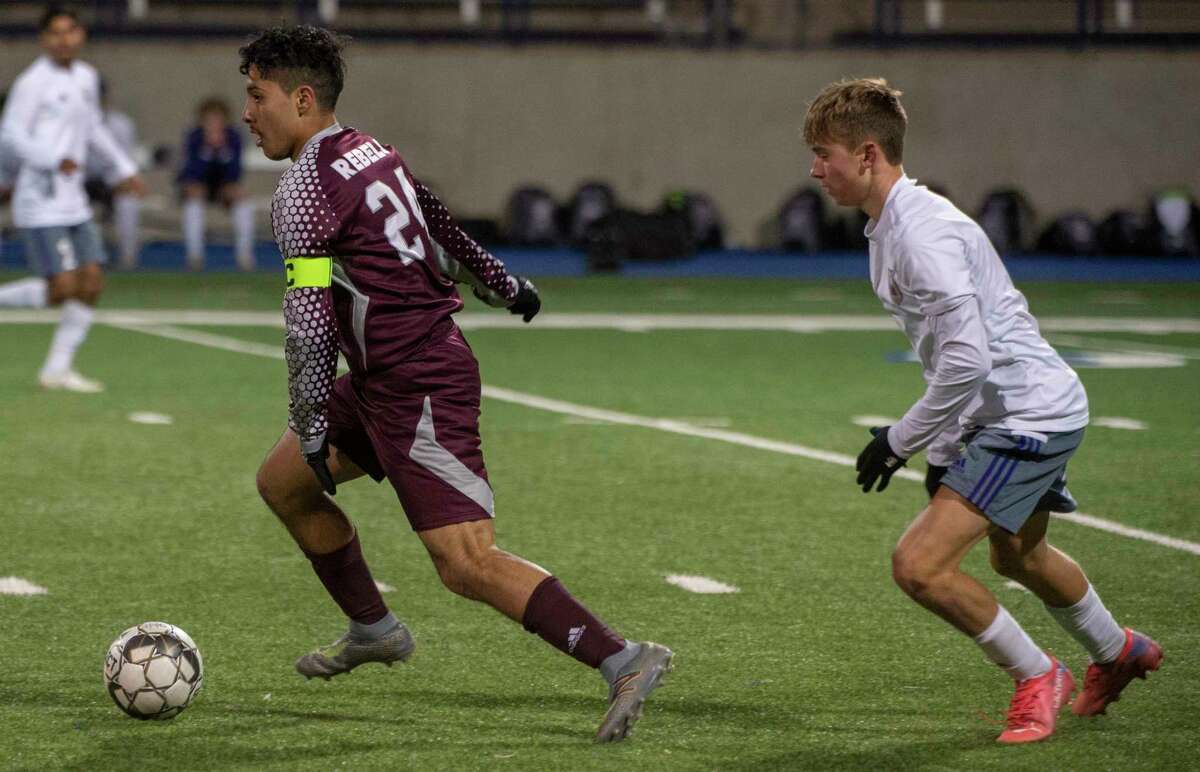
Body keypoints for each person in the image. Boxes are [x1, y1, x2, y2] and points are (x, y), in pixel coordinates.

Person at [242, 26, 672, 743]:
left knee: (465, 562)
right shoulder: (372, 152)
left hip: (418, 383)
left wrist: (313, 420)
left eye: (257, 97)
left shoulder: (302, 192)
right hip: (385, 377)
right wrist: (503, 283)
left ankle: (623, 657)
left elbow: (310, 327)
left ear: (302, 98)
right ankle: (373, 627)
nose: (249, 113)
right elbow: (440, 225)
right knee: (284, 482)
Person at [804, 78, 1162, 745]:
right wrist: (942, 451)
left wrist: (901, 440)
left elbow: (966, 361)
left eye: (825, 153)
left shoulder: (921, 234)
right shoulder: (892, 225)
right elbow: (950, 353)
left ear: (870, 154)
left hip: (1025, 418)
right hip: (1017, 410)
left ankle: (1037, 674)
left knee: (919, 566)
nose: (815, 169)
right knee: (1018, 556)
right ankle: (1121, 652)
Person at [0, 5, 144, 392]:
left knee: (92, 281)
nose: (65, 39)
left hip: (73, 200)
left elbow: (93, 128)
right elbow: (10, 135)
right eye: (56, 33)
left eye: (71, 31)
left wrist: (123, 169)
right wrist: (51, 159)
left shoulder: (85, 76)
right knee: (62, 288)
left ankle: (57, 369)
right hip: (40, 200)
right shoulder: (33, 83)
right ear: (44, 39)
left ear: (80, 35)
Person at [178, 96, 255, 270]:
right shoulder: (194, 138)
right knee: (193, 206)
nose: (213, 124)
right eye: (209, 120)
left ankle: (244, 256)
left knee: (244, 204)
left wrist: (221, 151)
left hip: (225, 188)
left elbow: (235, 170)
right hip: (199, 188)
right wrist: (207, 149)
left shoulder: (234, 138)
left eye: (217, 120)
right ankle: (195, 257)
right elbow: (191, 171)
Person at [84, 76, 142, 269]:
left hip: (112, 183)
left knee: (128, 201)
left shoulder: (121, 125)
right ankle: (79, 262)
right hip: (81, 183)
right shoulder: (69, 124)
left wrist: (121, 181)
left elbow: (124, 162)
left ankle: (128, 259)